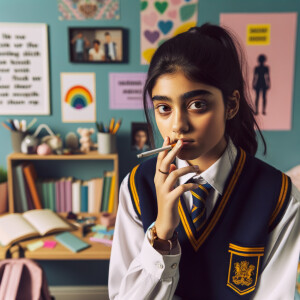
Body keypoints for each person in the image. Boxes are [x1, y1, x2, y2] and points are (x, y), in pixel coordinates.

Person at [109, 23, 300, 299]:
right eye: (164, 108)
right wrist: (162, 233)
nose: (178, 126)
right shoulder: (137, 187)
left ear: (232, 105)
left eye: (197, 105)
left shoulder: (280, 197)